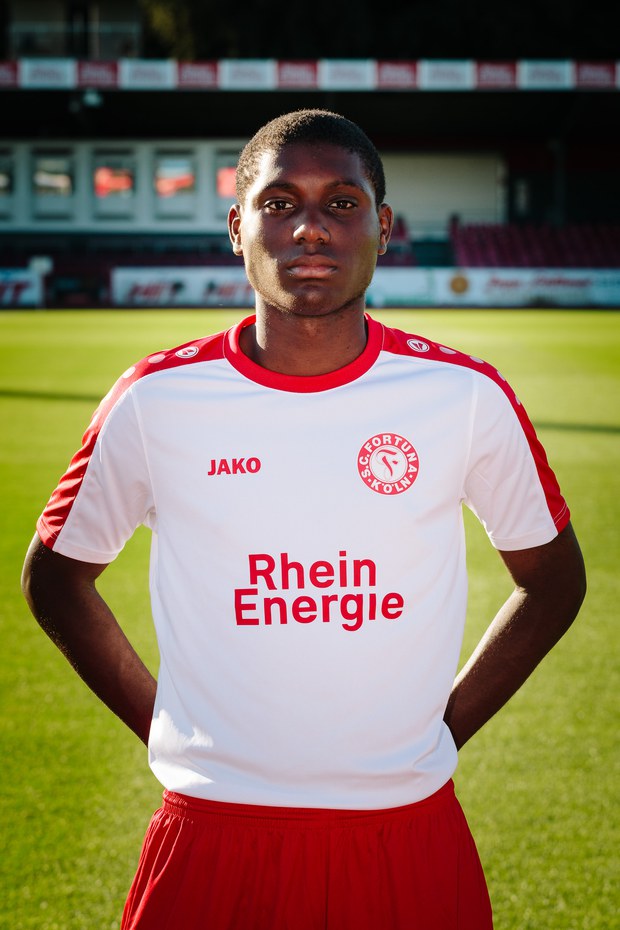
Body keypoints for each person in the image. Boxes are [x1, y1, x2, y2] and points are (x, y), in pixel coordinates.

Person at [22, 109, 586, 930]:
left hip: (406, 829)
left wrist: (440, 731)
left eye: (341, 204)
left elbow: (554, 581)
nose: (310, 229)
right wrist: (168, 724)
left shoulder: (465, 396)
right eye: (279, 204)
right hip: (211, 827)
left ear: (383, 227)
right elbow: (56, 578)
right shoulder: (154, 400)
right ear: (236, 228)